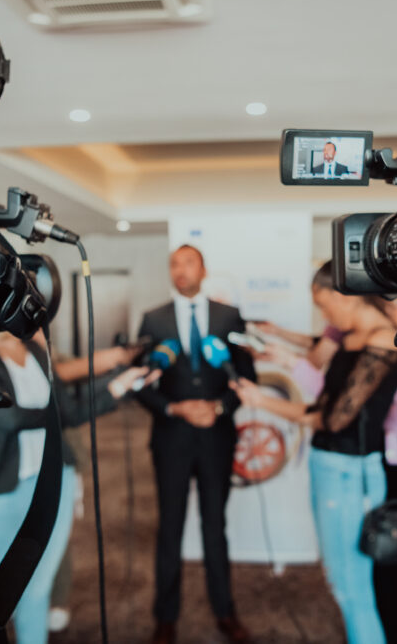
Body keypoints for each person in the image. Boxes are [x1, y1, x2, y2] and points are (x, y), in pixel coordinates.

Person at [230, 262, 397, 644]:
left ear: (346, 294)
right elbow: (321, 387)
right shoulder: (352, 335)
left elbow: (334, 418)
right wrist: (269, 375)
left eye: (325, 306)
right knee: (340, 579)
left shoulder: (382, 340)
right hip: (329, 465)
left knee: (351, 587)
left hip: (350, 473)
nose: (325, 317)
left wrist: (264, 401)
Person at [0, 332, 155, 644]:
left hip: (56, 478)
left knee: (38, 584)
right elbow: (9, 416)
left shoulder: (36, 351)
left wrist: (120, 386)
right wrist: (60, 414)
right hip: (5, 486)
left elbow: (69, 410)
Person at [135, 244, 256, 644]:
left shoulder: (228, 316)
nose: (180, 270)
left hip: (217, 439)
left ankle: (226, 612)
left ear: (203, 269)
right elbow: (141, 385)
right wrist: (174, 409)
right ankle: (164, 618)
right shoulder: (153, 319)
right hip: (170, 439)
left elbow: (245, 378)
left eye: (188, 263)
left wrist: (220, 408)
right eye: (174, 264)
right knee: (169, 527)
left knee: (214, 526)